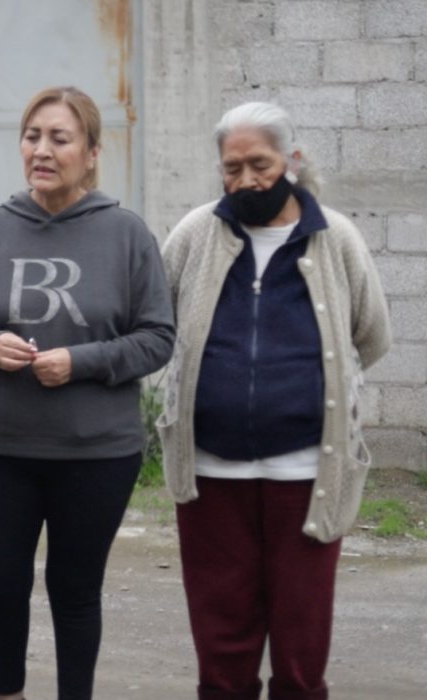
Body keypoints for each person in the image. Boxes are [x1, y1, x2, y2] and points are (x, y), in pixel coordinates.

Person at [0, 86, 175, 700]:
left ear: (92, 153)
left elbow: (157, 339)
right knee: (1, 589)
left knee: (74, 591)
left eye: (60, 138)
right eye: (32, 136)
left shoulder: (126, 234)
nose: (42, 150)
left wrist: (82, 362)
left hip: (96, 454)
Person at [159, 101, 391, 700]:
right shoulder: (194, 235)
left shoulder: (335, 238)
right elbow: (159, 322)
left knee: (300, 647)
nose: (246, 180)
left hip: (308, 475)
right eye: (232, 168)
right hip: (210, 475)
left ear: (292, 160)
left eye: (259, 164)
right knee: (222, 649)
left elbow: (371, 335)